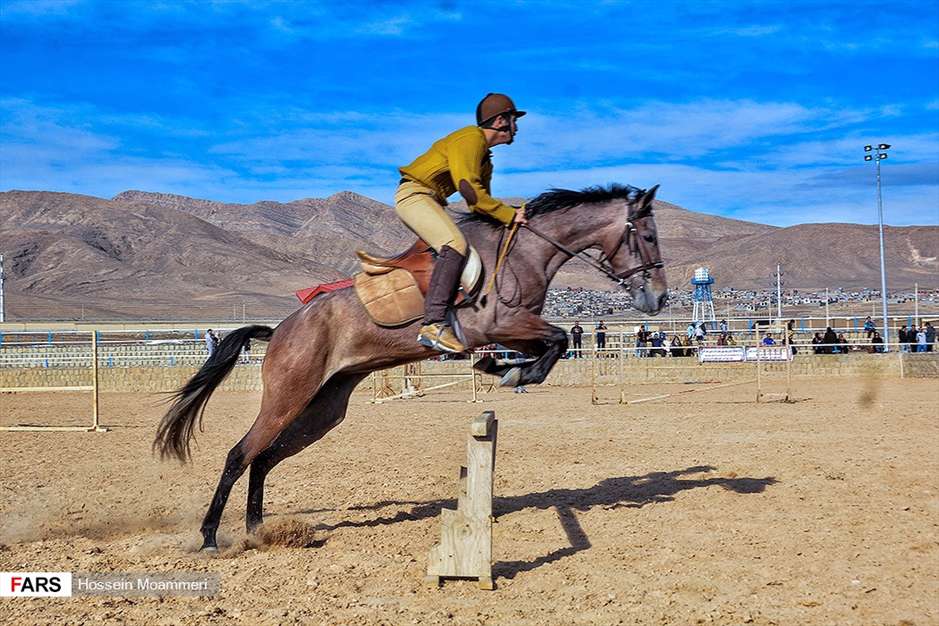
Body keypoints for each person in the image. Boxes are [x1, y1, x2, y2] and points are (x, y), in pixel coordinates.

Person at [397, 93, 527, 353]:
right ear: (501, 121)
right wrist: (510, 215)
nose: (517, 126)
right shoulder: (470, 139)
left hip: (432, 200)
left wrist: (511, 216)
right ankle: (433, 324)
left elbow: (479, 204)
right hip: (414, 195)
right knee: (454, 243)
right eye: (514, 120)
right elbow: (469, 191)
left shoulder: (485, 160)